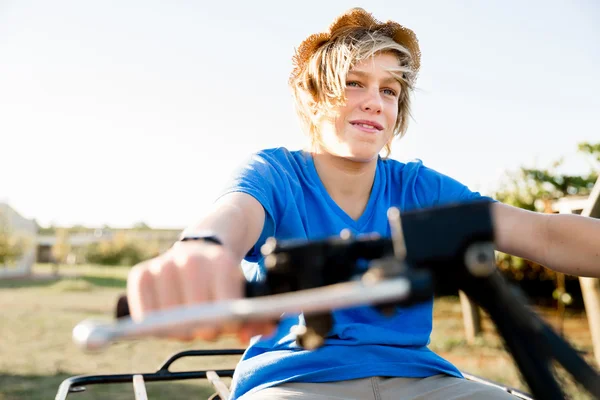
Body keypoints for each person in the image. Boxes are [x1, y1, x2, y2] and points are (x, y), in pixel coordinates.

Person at [126, 8, 600, 399]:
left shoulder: (419, 188)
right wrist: (201, 249)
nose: (374, 101)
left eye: (389, 91)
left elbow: (543, 232)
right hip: (295, 382)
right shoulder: (275, 174)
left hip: (420, 380)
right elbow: (231, 216)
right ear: (312, 101)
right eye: (355, 83)